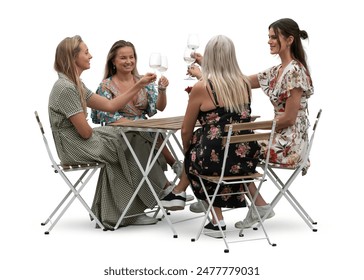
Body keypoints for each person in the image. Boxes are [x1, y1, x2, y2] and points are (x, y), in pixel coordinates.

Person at [48, 35, 169, 230]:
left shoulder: (75, 84)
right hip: (74, 147)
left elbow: (110, 106)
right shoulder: (65, 88)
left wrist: (139, 85)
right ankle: (164, 190)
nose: (91, 56)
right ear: (72, 57)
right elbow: (86, 133)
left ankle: (130, 211)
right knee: (128, 141)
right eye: (86, 52)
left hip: (81, 141)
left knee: (130, 137)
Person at [161, 35, 262, 238]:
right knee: (206, 152)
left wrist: (186, 149)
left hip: (215, 159)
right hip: (245, 157)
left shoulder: (201, 87)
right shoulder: (244, 84)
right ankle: (179, 193)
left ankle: (213, 218)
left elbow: (186, 130)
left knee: (195, 156)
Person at [234, 18, 314, 229]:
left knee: (234, 148)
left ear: (289, 40)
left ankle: (257, 205)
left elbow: (288, 118)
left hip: (289, 143)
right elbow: (243, 82)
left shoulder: (294, 71)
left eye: (273, 37)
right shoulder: (279, 70)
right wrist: (211, 66)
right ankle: (257, 204)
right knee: (233, 144)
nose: (269, 41)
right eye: (268, 37)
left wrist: (252, 128)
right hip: (280, 135)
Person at [91, 40, 183, 179]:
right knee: (146, 134)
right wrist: (137, 125)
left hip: (144, 129)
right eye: (123, 58)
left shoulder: (143, 80)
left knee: (155, 132)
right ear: (113, 62)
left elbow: (159, 107)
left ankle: (174, 173)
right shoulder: (106, 86)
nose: (129, 61)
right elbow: (108, 117)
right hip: (119, 132)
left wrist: (162, 90)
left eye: (131, 57)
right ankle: (174, 169)